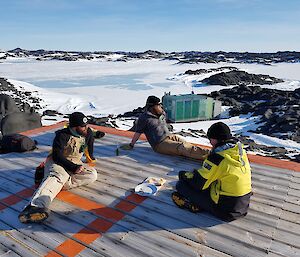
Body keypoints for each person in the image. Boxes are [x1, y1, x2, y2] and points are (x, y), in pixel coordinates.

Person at [19, 112, 98, 223]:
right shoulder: (62, 135)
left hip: (75, 162)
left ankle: (54, 183)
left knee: (92, 174)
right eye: (83, 126)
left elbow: (89, 146)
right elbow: (57, 155)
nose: (86, 128)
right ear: (75, 127)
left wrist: (90, 159)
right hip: (58, 162)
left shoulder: (87, 133)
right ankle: (34, 207)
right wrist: (73, 167)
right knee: (59, 175)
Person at [171, 122, 252, 221]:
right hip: (243, 202)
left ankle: (192, 204)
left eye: (210, 139)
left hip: (227, 210)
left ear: (216, 139)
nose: (210, 142)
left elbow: (198, 183)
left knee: (181, 185)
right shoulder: (238, 150)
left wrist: (184, 175)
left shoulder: (217, 158)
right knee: (210, 182)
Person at [120, 95, 209, 161]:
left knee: (186, 143)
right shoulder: (144, 118)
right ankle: (208, 157)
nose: (160, 107)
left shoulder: (161, 113)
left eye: (159, 105)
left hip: (169, 136)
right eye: (157, 105)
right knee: (182, 147)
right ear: (151, 107)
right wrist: (131, 144)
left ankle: (207, 152)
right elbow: (138, 132)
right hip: (159, 144)